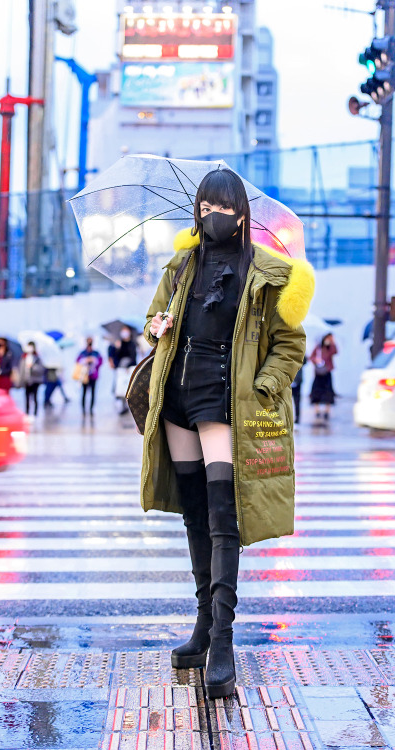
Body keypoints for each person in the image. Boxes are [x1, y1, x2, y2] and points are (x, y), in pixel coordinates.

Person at [141, 169, 315, 698]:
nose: (211, 215)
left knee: (223, 518)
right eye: (204, 207)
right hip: (177, 397)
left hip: (225, 398)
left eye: (222, 207)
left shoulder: (269, 272)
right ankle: (200, 626)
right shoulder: (180, 265)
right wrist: (159, 325)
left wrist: (264, 387)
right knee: (195, 514)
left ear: (240, 213)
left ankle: (222, 640)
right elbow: (152, 317)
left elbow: (290, 345)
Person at [310, 333, 338, 425]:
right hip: (318, 373)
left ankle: (327, 411)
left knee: (328, 392)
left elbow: (335, 352)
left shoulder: (330, 348)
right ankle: (317, 410)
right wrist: (316, 360)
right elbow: (311, 357)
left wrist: (332, 342)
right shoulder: (318, 348)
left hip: (327, 372)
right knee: (316, 392)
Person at [113, 326, 137, 415]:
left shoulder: (132, 343)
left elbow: (133, 357)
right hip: (121, 369)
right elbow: (116, 357)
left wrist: (129, 366)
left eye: (126, 330)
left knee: (129, 389)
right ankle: (123, 407)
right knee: (120, 389)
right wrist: (117, 348)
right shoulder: (120, 343)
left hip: (129, 369)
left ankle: (129, 406)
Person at [76, 337, 103, 416]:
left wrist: (93, 360)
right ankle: (83, 409)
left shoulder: (96, 353)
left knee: (93, 393)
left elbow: (100, 361)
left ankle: (91, 409)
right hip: (84, 376)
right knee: (84, 393)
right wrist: (86, 360)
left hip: (93, 376)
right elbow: (78, 361)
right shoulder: (82, 353)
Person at [18, 342, 45, 416]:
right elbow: (21, 370)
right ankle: (26, 413)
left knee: (35, 397)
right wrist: (20, 381)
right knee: (26, 397)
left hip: (35, 380)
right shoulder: (24, 358)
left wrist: (32, 367)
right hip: (26, 380)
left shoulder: (37, 358)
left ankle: (35, 414)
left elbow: (41, 369)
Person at [292, 354, 307, 427]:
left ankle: (297, 419)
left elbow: (305, 361)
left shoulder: (300, 349)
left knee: (297, 401)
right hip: (286, 380)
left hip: (297, 380)